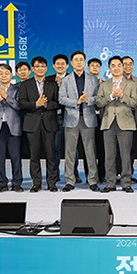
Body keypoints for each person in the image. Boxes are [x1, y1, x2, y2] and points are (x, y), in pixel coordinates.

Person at [59, 51, 100, 192]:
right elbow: (61, 98)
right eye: (76, 60)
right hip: (71, 119)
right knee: (70, 152)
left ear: (84, 62)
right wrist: (76, 102)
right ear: (71, 63)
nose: (78, 62)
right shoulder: (66, 80)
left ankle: (92, 180)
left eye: (81, 60)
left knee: (90, 152)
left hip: (88, 119)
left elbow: (98, 98)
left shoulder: (93, 80)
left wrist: (88, 100)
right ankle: (69, 181)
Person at [96, 56, 137, 193]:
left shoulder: (131, 84)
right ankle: (110, 183)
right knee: (109, 155)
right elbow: (98, 102)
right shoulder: (104, 85)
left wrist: (121, 96)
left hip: (125, 123)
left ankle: (126, 183)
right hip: (108, 123)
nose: (116, 68)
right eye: (113, 65)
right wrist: (111, 97)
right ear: (109, 68)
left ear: (123, 67)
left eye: (119, 65)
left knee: (125, 155)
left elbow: (135, 103)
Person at [18, 56, 60, 192]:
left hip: (49, 123)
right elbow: (21, 103)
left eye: (42, 66)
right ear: (33, 69)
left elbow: (58, 103)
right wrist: (36, 104)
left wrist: (46, 104)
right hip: (32, 123)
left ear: (46, 68)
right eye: (37, 66)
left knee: (51, 155)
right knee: (34, 155)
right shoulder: (26, 84)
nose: (40, 69)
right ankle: (36, 183)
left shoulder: (52, 84)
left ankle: (51, 182)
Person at [0, 63, 24, 192]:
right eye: (1, 73)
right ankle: (2, 183)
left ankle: (17, 183)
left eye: (6, 73)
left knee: (15, 157)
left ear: (11, 75)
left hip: (13, 126)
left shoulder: (17, 89)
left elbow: (19, 106)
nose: (4, 76)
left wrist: (7, 97)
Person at [46, 53, 69, 180]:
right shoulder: (48, 80)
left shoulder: (72, 79)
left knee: (71, 148)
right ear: (54, 66)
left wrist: (62, 86)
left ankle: (74, 173)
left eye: (62, 64)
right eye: (58, 64)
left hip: (69, 117)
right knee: (55, 147)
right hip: (53, 117)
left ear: (67, 65)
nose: (60, 66)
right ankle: (55, 174)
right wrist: (56, 87)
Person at [122, 55, 137, 183]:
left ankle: (129, 173)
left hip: (133, 117)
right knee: (118, 148)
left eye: (130, 64)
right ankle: (118, 173)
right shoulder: (115, 81)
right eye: (125, 64)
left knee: (131, 148)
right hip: (118, 117)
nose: (127, 66)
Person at [87, 57, 106, 183]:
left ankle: (102, 174)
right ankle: (90, 175)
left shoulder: (104, 83)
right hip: (88, 118)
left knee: (102, 148)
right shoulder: (84, 82)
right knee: (89, 149)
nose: (95, 67)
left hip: (102, 118)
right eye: (92, 65)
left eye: (97, 66)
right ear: (88, 68)